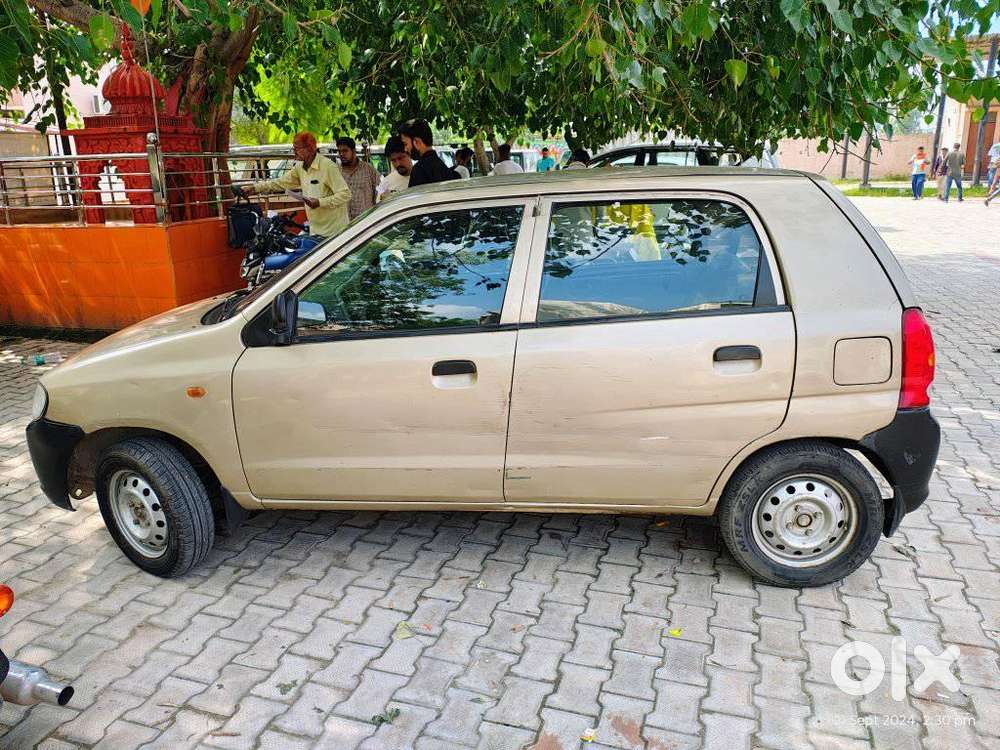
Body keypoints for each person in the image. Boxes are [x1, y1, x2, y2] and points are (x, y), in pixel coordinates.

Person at [238, 131, 350, 243]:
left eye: (297, 148)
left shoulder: (327, 166)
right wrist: (255, 188)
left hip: (334, 232)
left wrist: (320, 202)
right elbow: (280, 182)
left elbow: (345, 194)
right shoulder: (300, 167)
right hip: (315, 231)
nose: (294, 152)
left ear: (310, 148)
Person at [399, 119, 459, 186]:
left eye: (405, 144)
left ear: (416, 142)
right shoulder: (443, 167)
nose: (405, 149)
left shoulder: (419, 170)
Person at [336, 137, 380, 219]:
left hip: (365, 222)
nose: (341, 154)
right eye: (339, 151)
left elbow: (380, 193)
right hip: (343, 224)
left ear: (353, 151)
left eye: (345, 151)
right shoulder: (336, 172)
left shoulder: (368, 170)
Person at [376, 136, 412, 201]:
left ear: (409, 154)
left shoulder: (422, 177)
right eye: (393, 160)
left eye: (401, 158)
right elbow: (380, 207)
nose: (398, 164)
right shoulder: (385, 183)